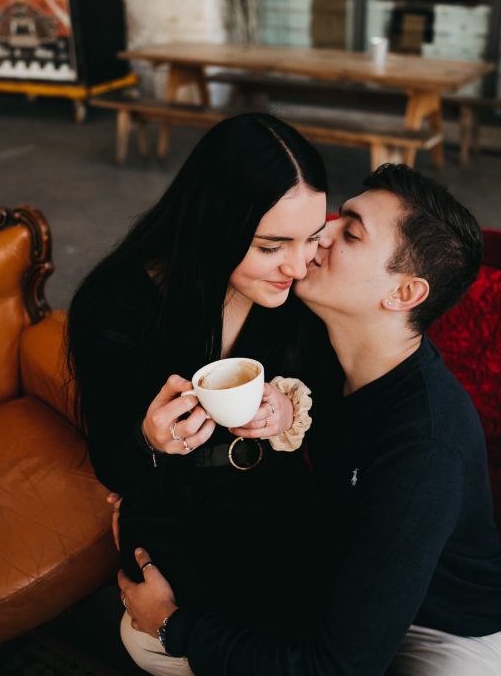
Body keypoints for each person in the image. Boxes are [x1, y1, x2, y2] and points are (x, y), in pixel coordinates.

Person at [118, 164, 501, 676]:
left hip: (442, 629)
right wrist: (145, 488)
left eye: (349, 233)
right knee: (139, 638)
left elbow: (339, 668)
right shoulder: (317, 335)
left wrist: (175, 624)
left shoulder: (425, 450)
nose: (319, 233)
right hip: (338, 581)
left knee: (164, 637)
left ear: (403, 294)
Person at [66, 113, 338, 675]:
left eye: (311, 237)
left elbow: (337, 400)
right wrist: (149, 441)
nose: (297, 264)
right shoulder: (119, 305)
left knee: (314, 628)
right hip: (175, 511)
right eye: (271, 245)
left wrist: (291, 409)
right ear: (215, 224)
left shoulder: (301, 289)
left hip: (274, 499)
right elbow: (114, 464)